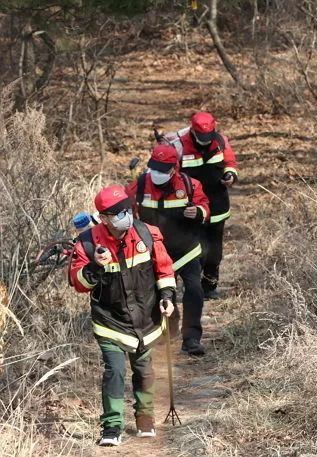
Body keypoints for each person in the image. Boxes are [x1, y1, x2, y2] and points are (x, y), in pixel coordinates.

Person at [69, 185, 176, 447]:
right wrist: (95, 266)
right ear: (104, 218)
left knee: (144, 369)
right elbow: (79, 283)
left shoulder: (147, 234)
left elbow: (164, 270)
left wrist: (168, 297)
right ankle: (112, 426)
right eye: (118, 212)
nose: (125, 214)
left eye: (127, 208)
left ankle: (145, 419)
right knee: (114, 371)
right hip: (110, 322)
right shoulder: (86, 243)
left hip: (146, 320)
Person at [126, 144, 210, 356]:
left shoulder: (190, 185)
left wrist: (198, 212)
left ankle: (191, 338)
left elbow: (206, 208)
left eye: (163, 170)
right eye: (154, 168)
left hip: (186, 251)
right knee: (159, 295)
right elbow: (123, 207)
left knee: (194, 291)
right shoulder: (140, 185)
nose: (157, 174)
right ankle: (169, 329)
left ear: (174, 169)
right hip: (154, 254)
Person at [178, 111, 238, 300]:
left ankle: (210, 286)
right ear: (192, 130)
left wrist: (230, 175)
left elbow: (230, 162)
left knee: (214, 249)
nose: (205, 140)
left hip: (217, 205)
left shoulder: (220, 141)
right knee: (194, 249)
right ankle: (193, 287)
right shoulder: (180, 146)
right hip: (192, 207)